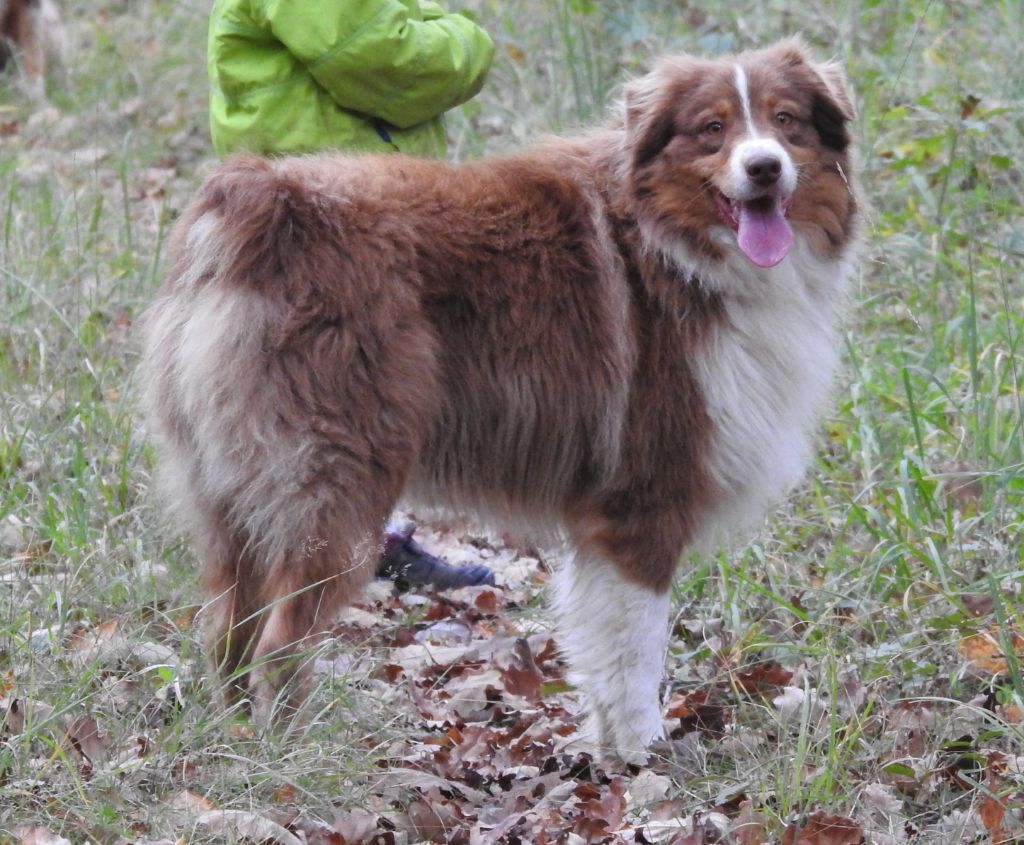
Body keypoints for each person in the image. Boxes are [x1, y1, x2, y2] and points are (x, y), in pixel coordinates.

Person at [206, 0, 496, 589]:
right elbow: (384, 59)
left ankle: (354, 546)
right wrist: (466, 40)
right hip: (327, 221)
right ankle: (310, 564)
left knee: (333, 405)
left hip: (337, 209)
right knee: (329, 414)